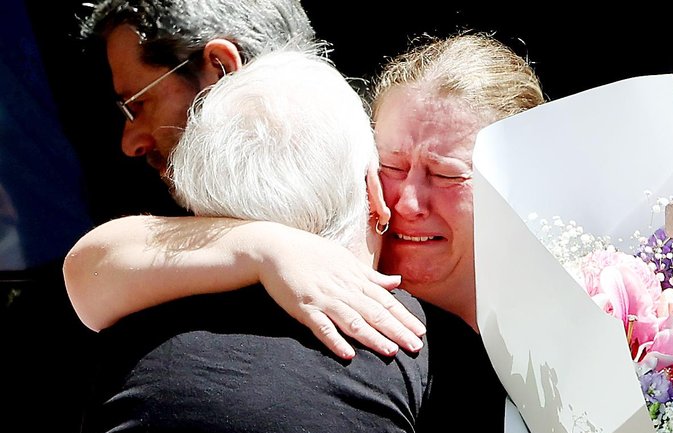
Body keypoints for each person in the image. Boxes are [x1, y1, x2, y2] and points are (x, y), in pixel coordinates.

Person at [65, 32, 546, 433]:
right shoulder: (278, 270)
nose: (406, 201)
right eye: (391, 166)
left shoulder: (579, 313)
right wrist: (262, 246)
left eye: (446, 174)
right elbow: (92, 265)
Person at [81, 48, 430, 433]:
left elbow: (89, 265)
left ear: (196, 205)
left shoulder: (133, 308)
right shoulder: (408, 334)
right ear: (373, 191)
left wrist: (261, 249)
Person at [73, 0, 427, 358]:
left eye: (138, 104)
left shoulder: (403, 196)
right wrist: (265, 247)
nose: (128, 142)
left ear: (221, 68)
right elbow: (90, 269)